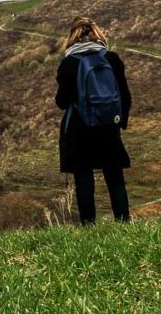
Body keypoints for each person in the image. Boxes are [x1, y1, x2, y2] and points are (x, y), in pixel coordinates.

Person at [55, 16, 132, 224]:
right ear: (98, 34)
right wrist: (119, 123)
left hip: (79, 130)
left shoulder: (69, 63)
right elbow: (125, 96)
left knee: (84, 180)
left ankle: (89, 228)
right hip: (108, 127)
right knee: (115, 178)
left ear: (71, 37)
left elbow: (61, 102)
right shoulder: (112, 59)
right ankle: (124, 223)